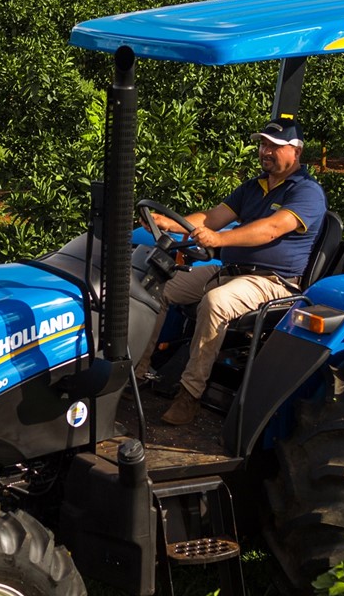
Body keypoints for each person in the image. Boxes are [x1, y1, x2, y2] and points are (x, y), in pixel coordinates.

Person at [139, 120, 328, 426]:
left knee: (216, 302)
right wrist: (169, 223)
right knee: (156, 283)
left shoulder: (307, 192)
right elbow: (213, 217)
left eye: (275, 146)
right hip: (229, 271)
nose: (266, 152)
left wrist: (220, 239)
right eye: (263, 145)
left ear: (296, 151)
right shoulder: (254, 187)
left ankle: (189, 396)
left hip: (271, 281)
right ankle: (136, 371)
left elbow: (271, 228)